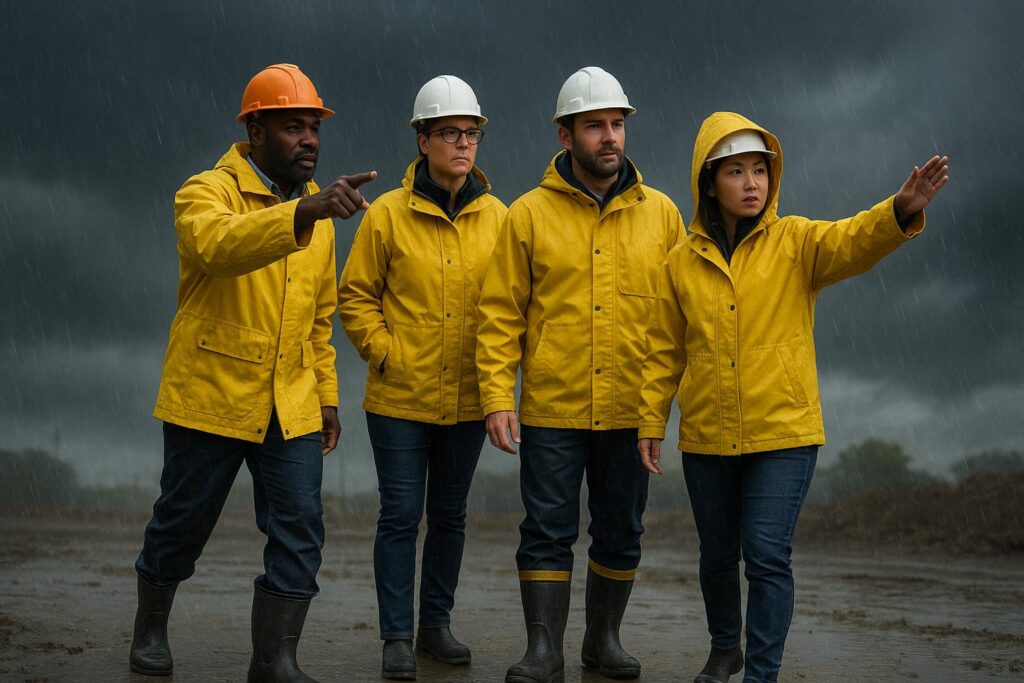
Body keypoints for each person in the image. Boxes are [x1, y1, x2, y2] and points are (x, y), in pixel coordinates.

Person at [637, 111, 948, 683]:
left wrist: (900, 209)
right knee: (716, 557)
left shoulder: (797, 242)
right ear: (710, 182)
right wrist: (649, 420)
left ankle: (761, 673)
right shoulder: (680, 263)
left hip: (783, 432)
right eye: (736, 172)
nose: (752, 182)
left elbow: (854, 240)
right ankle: (724, 647)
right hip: (708, 434)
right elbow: (664, 349)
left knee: (766, 554)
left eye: (760, 170)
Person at [131, 63, 376, 682]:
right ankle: (151, 628)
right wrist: (305, 213)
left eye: (314, 128)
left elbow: (320, 320)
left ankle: (275, 661)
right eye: (294, 127)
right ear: (255, 132)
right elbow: (218, 246)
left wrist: (327, 397)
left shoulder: (319, 216)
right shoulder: (204, 191)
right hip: (211, 392)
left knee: (300, 529)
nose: (310, 141)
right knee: (182, 520)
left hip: (290, 401)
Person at [476, 66, 685, 682]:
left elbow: (679, 319)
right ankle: (544, 651)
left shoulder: (664, 216)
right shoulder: (528, 216)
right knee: (546, 530)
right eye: (595, 126)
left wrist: (667, 407)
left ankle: (603, 640)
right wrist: (497, 396)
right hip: (552, 408)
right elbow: (498, 315)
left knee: (621, 529)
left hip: (630, 410)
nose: (610, 137)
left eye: (617, 124)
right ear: (565, 136)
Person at [337, 75, 507, 681]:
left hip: (467, 397)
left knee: (452, 516)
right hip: (398, 398)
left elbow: (512, 305)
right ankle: (396, 637)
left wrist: (498, 389)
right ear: (422, 139)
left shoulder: (500, 219)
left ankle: (435, 626)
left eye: (471, 134)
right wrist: (386, 355)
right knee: (401, 514)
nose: (463, 145)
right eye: (449, 134)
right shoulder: (385, 216)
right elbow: (354, 299)